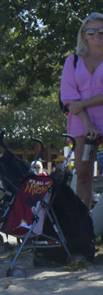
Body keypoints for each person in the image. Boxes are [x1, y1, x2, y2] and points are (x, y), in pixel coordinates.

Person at [61, 12, 103, 206]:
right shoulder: (73, 61)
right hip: (82, 124)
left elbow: (78, 102)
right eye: (91, 31)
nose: (97, 35)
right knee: (83, 176)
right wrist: (87, 124)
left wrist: (83, 103)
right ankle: (83, 229)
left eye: (101, 30)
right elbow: (69, 97)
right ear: (84, 34)